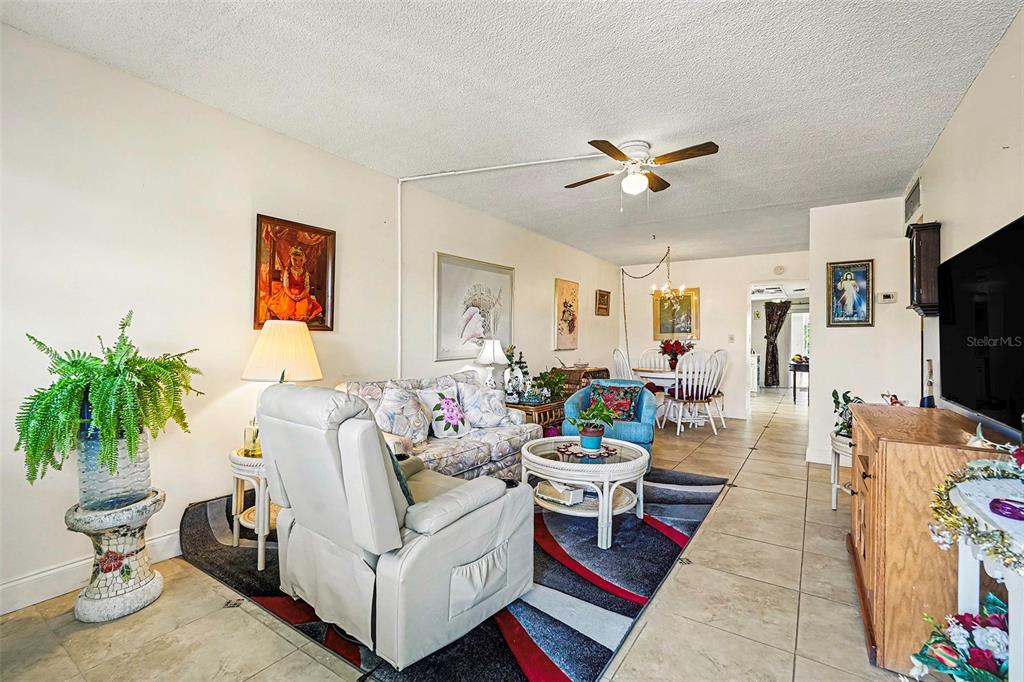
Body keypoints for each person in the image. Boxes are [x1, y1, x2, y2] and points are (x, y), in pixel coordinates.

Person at [267, 245, 323, 322]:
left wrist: (301, 296)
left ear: (304, 260)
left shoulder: (305, 272)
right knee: (287, 309)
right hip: (289, 293)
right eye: (295, 260)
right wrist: (291, 296)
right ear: (291, 259)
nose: (298, 263)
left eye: (301, 260)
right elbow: (285, 286)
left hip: (302, 294)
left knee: (303, 310)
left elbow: (307, 287)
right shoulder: (288, 271)